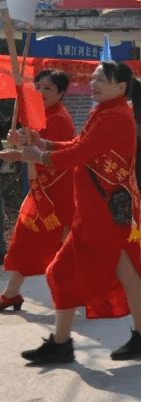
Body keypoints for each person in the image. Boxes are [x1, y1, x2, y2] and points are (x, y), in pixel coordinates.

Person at [12, 61, 141, 363]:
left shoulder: (114, 117)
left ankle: (69, 342)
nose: (93, 84)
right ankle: (65, 341)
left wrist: (40, 155)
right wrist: (44, 143)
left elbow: (79, 154)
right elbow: (81, 145)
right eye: (92, 79)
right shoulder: (105, 112)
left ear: (120, 87)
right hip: (96, 214)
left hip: (105, 217)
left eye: (101, 80)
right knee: (103, 273)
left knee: (123, 275)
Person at [0, 70, 76, 312]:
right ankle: (11, 293)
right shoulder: (41, 115)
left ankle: (91, 288)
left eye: (49, 89)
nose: (42, 93)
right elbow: (32, 146)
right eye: (39, 87)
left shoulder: (60, 119)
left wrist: (18, 153)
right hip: (41, 191)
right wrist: (17, 141)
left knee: (64, 244)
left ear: (61, 93)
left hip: (56, 193)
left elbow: (51, 157)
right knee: (26, 240)